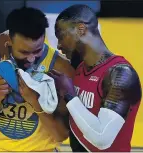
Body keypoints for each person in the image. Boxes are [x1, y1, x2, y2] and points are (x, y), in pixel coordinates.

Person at [0, 7, 75, 152]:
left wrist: (34, 102)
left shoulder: (59, 67)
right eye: (24, 52)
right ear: (9, 40)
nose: (31, 58)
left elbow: (61, 135)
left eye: (37, 51)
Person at [49, 4, 142, 152]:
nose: (59, 44)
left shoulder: (120, 74)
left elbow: (102, 139)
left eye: (61, 35)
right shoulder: (79, 69)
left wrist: (69, 95)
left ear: (81, 29)